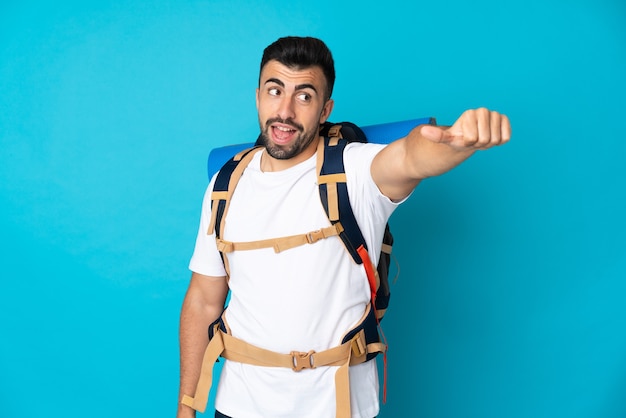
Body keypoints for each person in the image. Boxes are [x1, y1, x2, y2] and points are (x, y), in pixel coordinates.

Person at [177, 36, 511, 418]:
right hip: (238, 406)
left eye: (304, 96)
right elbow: (203, 300)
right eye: (275, 91)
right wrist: (186, 405)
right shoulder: (225, 184)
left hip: (338, 407)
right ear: (257, 97)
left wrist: (455, 142)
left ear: (325, 110)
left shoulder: (354, 171)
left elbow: (409, 156)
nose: (284, 111)